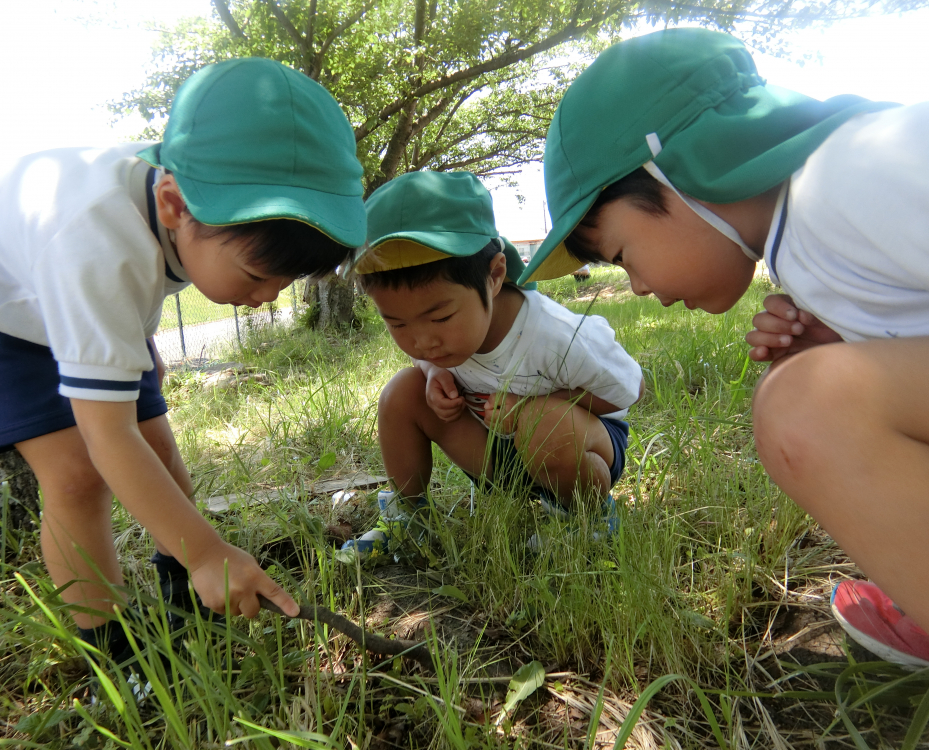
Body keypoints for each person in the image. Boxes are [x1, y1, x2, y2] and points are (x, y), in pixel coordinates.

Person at [0, 58, 367, 666]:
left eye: (288, 278)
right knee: (78, 474)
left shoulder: (190, 193)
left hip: (65, 286)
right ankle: (112, 650)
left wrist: (142, 342)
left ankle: (183, 596)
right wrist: (209, 550)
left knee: (159, 446)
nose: (270, 294)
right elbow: (106, 431)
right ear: (172, 204)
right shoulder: (92, 240)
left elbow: (141, 275)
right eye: (259, 273)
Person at [519, 28, 929, 667]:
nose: (641, 286)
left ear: (677, 172)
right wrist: (859, 350)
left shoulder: (851, 175)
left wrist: (832, 388)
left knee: (803, 406)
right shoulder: (808, 234)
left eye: (624, 255)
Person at [338, 171, 643, 563]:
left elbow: (630, 389)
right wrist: (433, 374)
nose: (422, 342)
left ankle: (587, 517)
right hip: (497, 458)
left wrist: (527, 407)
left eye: (441, 317)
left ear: (495, 275)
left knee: (543, 422)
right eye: (396, 324)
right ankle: (407, 515)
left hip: (577, 452)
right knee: (401, 392)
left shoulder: (553, 334)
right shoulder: (433, 343)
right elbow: (422, 356)